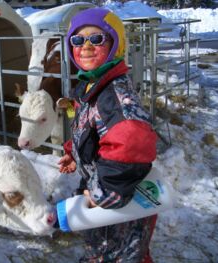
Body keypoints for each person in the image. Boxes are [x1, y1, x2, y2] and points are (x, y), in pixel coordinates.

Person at [58, 7, 158, 263]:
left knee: (119, 256)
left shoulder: (115, 97)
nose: (86, 46)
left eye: (97, 38)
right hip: (105, 193)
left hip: (120, 202)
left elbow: (131, 143)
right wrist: (75, 153)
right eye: (78, 40)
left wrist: (102, 192)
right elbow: (93, 127)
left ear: (116, 44)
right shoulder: (93, 85)